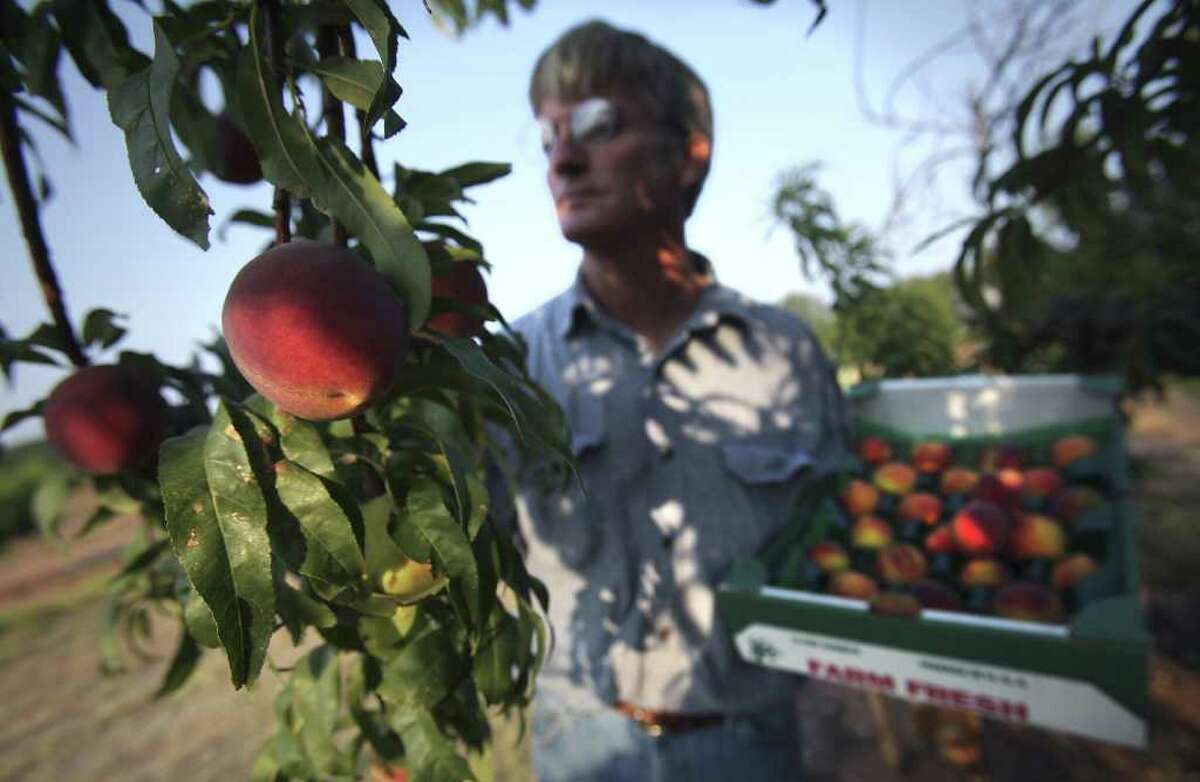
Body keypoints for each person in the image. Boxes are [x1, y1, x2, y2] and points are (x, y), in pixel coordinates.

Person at [504, 19, 851, 782]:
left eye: (598, 124)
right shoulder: (510, 367)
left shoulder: (785, 352)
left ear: (689, 153)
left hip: (751, 743)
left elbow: (847, 544)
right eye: (548, 135)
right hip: (582, 741)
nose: (562, 157)